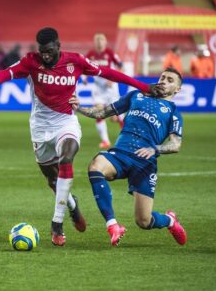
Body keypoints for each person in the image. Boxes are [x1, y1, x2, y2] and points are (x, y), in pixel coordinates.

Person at [0, 27, 164, 246]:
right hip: (40, 128)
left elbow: (109, 73)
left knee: (66, 158)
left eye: (49, 51)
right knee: (52, 179)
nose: (45, 56)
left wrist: (143, 86)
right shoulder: (30, 62)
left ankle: (56, 223)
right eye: (42, 52)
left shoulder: (75, 61)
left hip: (66, 123)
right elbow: (1, 77)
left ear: (58, 46)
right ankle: (72, 205)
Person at [69, 68, 187, 247]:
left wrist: (155, 149)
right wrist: (80, 108)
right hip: (121, 153)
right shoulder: (136, 95)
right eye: (162, 77)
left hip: (145, 163)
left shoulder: (173, 113)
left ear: (177, 89)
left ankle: (170, 221)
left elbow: (175, 144)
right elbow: (103, 113)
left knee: (144, 221)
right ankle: (113, 226)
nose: (164, 81)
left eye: (170, 80)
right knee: (95, 167)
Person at [85, 33, 124, 149]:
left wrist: (113, 79)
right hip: (98, 89)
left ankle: (126, 138)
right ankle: (106, 141)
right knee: (98, 112)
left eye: (101, 40)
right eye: (97, 40)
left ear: (105, 42)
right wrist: (85, 77)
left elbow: (120, 66)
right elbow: (84, 67)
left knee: (115, 117)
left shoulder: (110, 53)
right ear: (94, 42)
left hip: (110, 89)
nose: (99, 42)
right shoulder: (91, 54)